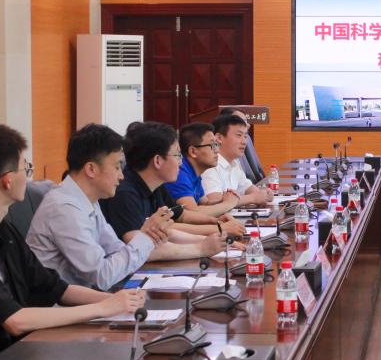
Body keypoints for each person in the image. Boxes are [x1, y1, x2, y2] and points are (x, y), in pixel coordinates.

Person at [0, 125, 145, 360]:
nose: (28, 176)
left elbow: (55, 287)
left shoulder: (1, 227)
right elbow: (14, 320)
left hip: (23, 350)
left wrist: (116, 300)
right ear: (8, 180)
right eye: (26, 168)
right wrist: (103, 308)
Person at [27, 125, 227, 289]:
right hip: (61, 310)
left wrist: (147, 237)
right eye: (116, 167)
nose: (121, 175)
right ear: (91, 169)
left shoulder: (88, 200)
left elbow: (117, 250)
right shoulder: (64, 208)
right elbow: (102, 276)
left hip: (91, 298)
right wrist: (147, 237)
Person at [100, 122, 245, 243]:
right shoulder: (125, 194)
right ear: (158, 161)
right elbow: (163, 232)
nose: (181, 162)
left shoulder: (157, 186)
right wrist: (219, 230)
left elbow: (181, 216)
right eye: (177, 155)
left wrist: (216, 222)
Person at [165, 122, 240, 216]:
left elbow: (204, 203)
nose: (217, 150)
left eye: (216, 145)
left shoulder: (194, 171)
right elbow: (192, 213)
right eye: (212, 145)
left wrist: (225, 199)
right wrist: (227, 204)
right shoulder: (179, 173)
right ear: (193, 151)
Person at [202, 112, 273, 206]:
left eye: (245, 136)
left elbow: (247, 187)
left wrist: (263, 194)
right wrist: (253, 198)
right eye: (239, 135)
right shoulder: (209, 164)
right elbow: (215, 200)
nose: (244, 142)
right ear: (219, 138)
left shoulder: (234, 161)